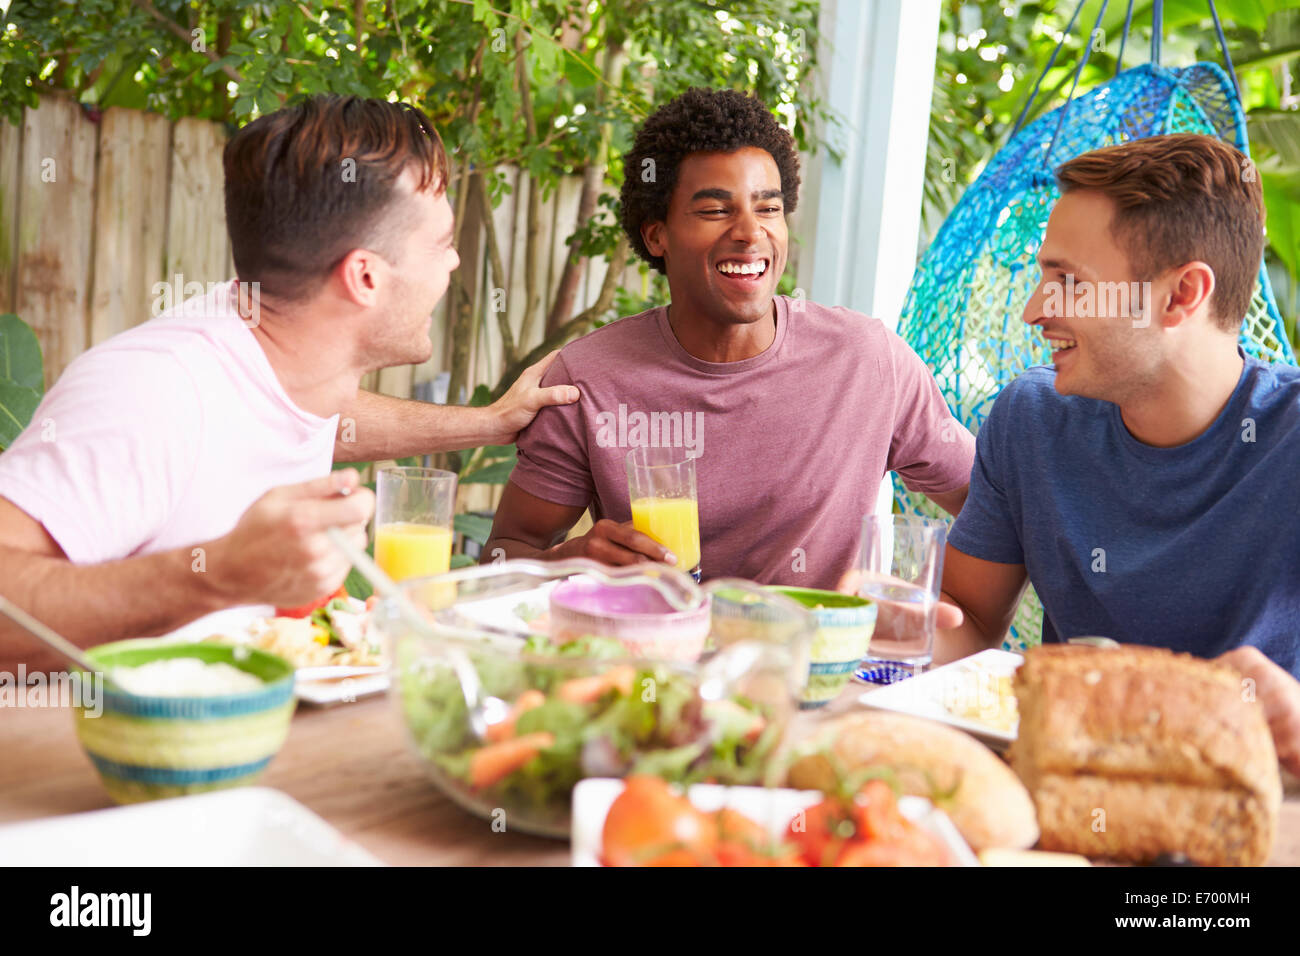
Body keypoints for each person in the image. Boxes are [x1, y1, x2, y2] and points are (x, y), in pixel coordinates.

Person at [0, 94, 576, 651]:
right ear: (365, 278)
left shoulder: (277, 356)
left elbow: (299, 413)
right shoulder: (152, 391)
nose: (453, 262)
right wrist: (219, 573)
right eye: (442, 245)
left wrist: (492, 423)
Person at [483, 87, 974, 588]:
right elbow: (502, 559)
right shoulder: (589, 378)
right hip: (651, 660)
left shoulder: (869, 360)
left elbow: (995, 507)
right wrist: (575, 560)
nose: (750, 231)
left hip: (820, 663)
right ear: (657, 235)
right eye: (716, 210)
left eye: (768, 209)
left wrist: (939, 622)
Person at [935, 133, 1300, 688]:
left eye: (1070, 282)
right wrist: (888, 625)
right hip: (1062, 765)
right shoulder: (1031, 420)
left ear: (1181, 296)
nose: (1036, 311)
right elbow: (971, 620)